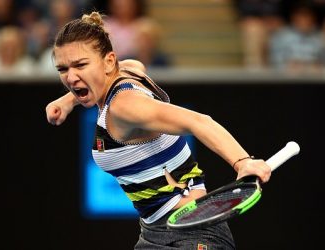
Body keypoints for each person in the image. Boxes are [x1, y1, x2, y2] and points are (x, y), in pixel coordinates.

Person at [45, 11, 272, 249]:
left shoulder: (124, 106)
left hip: (192, 234)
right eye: (62, 69)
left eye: (80, 65)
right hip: (154, 234)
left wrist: (242, 162)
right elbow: (134, 63)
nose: (71, 77)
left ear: (109, 61)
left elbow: (199, 122)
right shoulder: (128, 73)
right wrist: (68, 101)